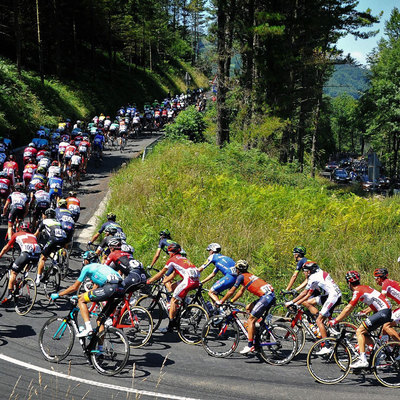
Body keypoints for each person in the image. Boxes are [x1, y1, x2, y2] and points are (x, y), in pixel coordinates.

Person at [329, 270, 392, 368]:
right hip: (384, 311)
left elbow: (348, 308)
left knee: (359, 331)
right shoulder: (364, 288)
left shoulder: (358, 291)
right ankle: (378, 352)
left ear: (349, 283)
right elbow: (376, 302)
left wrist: (336, 320)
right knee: (365, 333)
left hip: (383, 312)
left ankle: (363, 360)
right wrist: (365, 312)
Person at [50, 260, 123, 337]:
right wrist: (80, 295)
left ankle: (88, 328)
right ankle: (100, 348)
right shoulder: (100, 268)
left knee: (81, 301)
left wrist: (59, 294)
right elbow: (94, 290)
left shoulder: (86, 268)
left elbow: (75, 287)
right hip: (121, 290)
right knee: (100, 321)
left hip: (111, 288)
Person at [218, 260, 275, 355]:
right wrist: (232, 301)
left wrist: (221, 301)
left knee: (251, 320)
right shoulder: (248, 276)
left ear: (238, 269)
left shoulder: (240, 277)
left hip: (266, 297)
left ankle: (250, 345)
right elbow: (240, 292)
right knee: (248, 307)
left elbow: (231, 291)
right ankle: (256, 331)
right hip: (268, 296)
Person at [285, 261, 342, 352]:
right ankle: (319, 320)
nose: (303, 272)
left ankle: (326, 346)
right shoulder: (319, 272)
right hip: (332, 294)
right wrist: (296, 303)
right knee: (307, 302)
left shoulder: (313, 277)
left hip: (333, 297)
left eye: (305, 270)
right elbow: (307, 295)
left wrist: (292, 302)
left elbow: (304, 293)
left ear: (310, 271)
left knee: (319, 320)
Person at [147, 243, 200, 333]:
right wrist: (164, 281)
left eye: (169, 252)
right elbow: (174, 274)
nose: (169, 254)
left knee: (173, 300)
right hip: (196, 281)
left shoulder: (172, 260)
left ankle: (171, 325)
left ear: (171, 253)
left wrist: (150, 281)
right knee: (172, 286)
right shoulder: (183, 258)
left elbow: (161, 273)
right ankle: (182, 304)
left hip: (188, 281)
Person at [0, 222, 41, 304]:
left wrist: (0, 255)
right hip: (36, 256)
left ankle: (9, 295)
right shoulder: (33, 236)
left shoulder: (16, 234)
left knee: (13, 272)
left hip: (25, 255)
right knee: (25, 270)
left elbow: (6, 247)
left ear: (20, 228)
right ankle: (22, 283)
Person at [34, 208, 68, 286]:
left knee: (42, 258)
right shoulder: (58, 222)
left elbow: (37, 233)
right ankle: (59, 260)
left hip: (53, 239)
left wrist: (32, 240)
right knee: (54, 249)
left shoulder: (44, 221)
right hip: (63, 238)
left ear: (46, 215)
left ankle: (38, 279)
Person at [373, 268, 400, 342]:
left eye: (376, 278)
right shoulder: (389, 282)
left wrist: (371, 309)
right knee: (386, 322)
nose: (375, 280)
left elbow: (381, 299)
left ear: (379, 278)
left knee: (386, 326)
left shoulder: (386, 283)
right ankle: (389, 346)